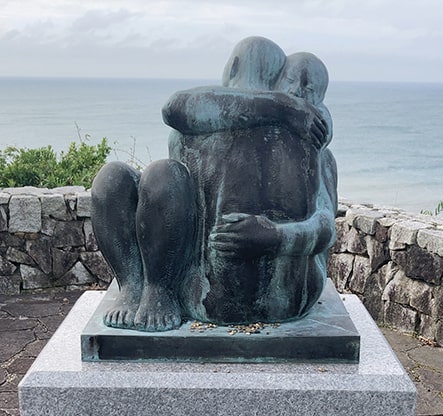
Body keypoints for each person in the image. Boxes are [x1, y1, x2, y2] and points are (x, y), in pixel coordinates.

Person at [91, 37, 338, 330]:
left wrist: (274, 237)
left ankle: (159, 290)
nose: (297, 93)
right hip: (205, 284)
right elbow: (174, 108)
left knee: (160, 174)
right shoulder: (199, 121)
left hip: (266, 292)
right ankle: (135, 288)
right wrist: (282, 107)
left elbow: (326, 225)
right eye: (292, 82)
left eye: (309, 91)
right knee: (115, 179)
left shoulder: (315, 152)